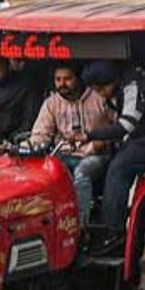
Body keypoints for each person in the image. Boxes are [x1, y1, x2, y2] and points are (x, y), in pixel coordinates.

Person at [81, 61, 145, 249]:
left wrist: (90, 135)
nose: (101, 93)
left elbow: (124, 127)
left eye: (102, 88)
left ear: (113, 81)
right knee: (105, 163)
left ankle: (114, 231)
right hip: (139, 137)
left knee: (119, 168)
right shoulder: (119, 87)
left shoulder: (135, 87)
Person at [29, 63, 114, 224]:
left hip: (95, 155)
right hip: (63, 155)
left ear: (78, 79)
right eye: (58, 79)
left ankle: (80, 225)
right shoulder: (51, 103)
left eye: (68, 79)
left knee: (82, 172)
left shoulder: (98, 97)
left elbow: (118, 127)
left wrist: (101, 142)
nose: (62, 84)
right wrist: (28, 147)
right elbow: (40, 135)